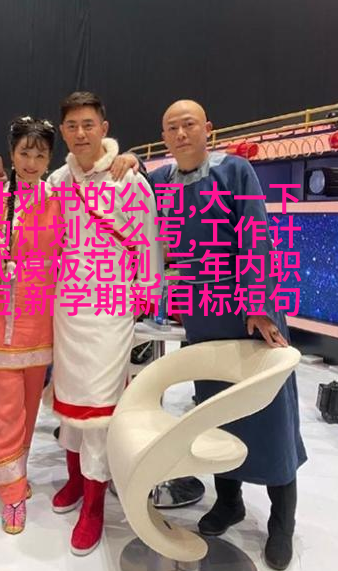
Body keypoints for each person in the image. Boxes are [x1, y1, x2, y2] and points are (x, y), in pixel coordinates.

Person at [147, 99, 306, 571]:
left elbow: (257, 236)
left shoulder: (234, 171)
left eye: (189, 124)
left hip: (248, 314)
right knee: (216, 414)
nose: (180, 134)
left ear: (208, 130)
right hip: (202, 316)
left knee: (270, 415)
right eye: (171, 127)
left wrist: (259, 306)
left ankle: (282, 520)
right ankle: (229, 501)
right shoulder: (161, 181)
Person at [48, 92, 161, 556]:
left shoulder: (127, 178)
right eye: (72, 125)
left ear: (104, 127)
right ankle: (75, 479)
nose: (80, 133)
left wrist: (146, 292)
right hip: (67, 303)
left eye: (88, 124)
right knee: (70, 398)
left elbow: (149, 238)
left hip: (111, 303)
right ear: (63, 131)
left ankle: (94, 504)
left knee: (99, 405)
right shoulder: (56, 181)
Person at [0, 116, 63, 535]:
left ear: (49, 158)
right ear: (12, 153)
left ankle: (13, 473)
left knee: (27, 409)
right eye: (25, 152)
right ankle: (12, 496)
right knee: (3, 412)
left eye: (40, 154)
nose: (31, 161)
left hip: (40, 323)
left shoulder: (60, 200)